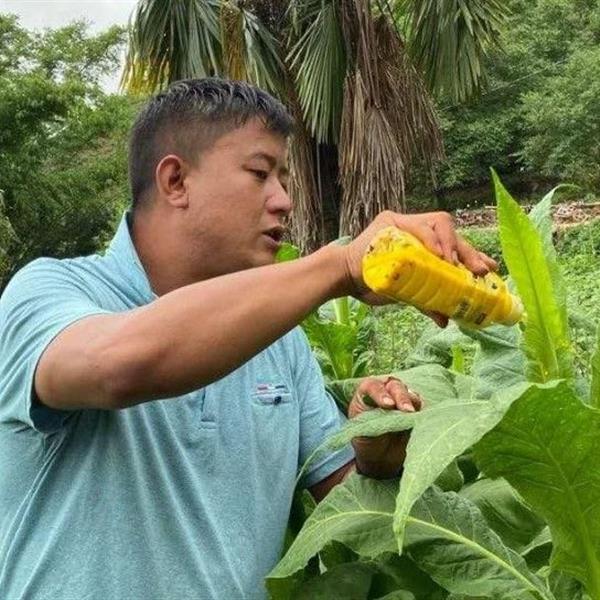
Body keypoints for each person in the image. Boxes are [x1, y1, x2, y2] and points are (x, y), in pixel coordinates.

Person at [0, 78, 495, 600]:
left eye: (284, 179)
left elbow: (343, 504)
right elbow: (117, 366)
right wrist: (343, 265)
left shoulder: (280, 341)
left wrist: (376, 453)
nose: (283, 201)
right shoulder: (50, 292)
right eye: (260, 174)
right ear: (175, 181)